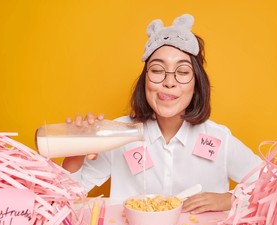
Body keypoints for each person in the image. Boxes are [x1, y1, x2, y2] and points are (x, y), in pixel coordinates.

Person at [62, 14, 262, 214]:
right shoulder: (119, 135)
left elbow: (271, 184)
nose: (169, 82)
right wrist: (76, 154)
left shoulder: (218, 138)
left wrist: (231, 199)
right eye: (158, 70)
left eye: (182, 72)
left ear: (196, 84)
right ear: (145, 81)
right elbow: (67, 199)